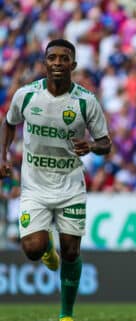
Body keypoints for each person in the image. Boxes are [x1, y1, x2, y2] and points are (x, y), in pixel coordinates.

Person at [0, 39, 112, 321]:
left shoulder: (86, 101)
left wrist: (92, 147)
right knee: (33, 249)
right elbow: (9, 123)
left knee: (71, 251)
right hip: (34, 187)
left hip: (70, 186)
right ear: (44, 63)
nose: (58, 63)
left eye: (65, 59)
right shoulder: (26, 96)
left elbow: (105, 142)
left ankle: (66, 315)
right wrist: (3, 155)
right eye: (53, 58)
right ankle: (48, 249)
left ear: (73, 65)